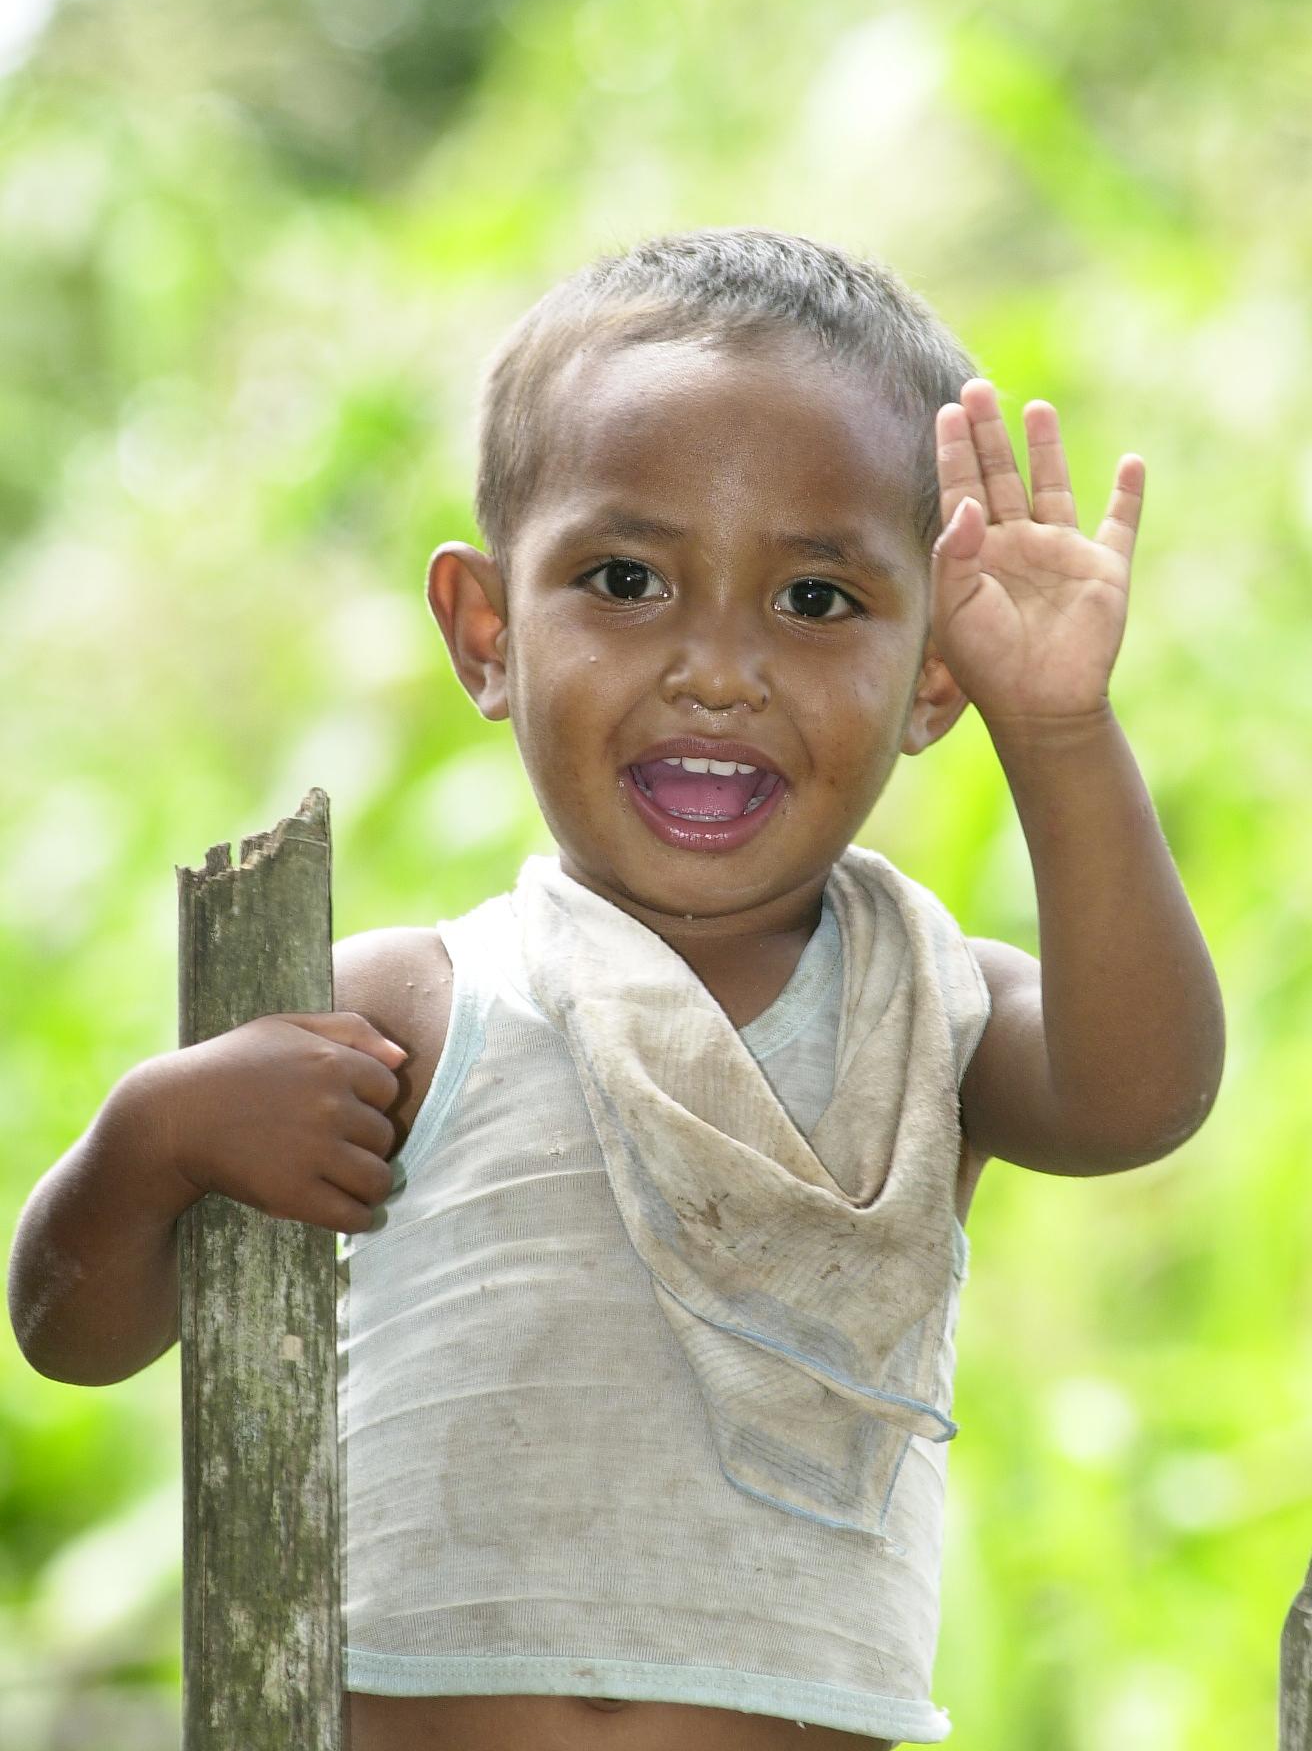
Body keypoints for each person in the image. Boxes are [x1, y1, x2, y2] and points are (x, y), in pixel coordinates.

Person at [7, 228, 1225, 1750]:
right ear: (489, 631)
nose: (718, 667)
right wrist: (155, 1139)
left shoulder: (924, 1015)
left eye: (817, 600)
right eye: (627, 580)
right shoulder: (415, 1011)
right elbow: (73, 1334)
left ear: (935, 676)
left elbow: (1140, 1096)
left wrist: (1057, 730)